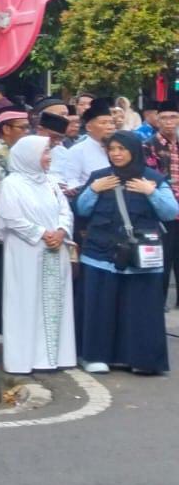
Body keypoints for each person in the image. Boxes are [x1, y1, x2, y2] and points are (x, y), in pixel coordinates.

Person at [75, 131, 178, 374]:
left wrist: (150, 192)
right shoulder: (100, 177)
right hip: (101, 254)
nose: (116, 154)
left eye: (122, 149)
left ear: (134, 150)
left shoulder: (153, 179)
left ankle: (142, 359)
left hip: (141, 257)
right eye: (112, 149)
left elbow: (170, 211)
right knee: (100, 307)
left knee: (140, 309)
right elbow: (82, 209)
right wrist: (94, 190)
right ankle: (95, 356)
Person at [0, 136, 76, 375]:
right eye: (44, 152)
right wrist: (41, 233)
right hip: (25, 251)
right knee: (25, 302)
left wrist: (60, 232)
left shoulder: (50, 182)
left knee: (53, 304)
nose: (48, 157)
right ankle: (24, 359)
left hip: (54, 249)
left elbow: (65, 211)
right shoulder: (12, 184)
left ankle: (52, 357)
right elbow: (10, 218)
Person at [0, 106, 33, 334]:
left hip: (26, 227)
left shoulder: (22, 151)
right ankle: (3, 326)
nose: (27, 131)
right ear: (6, 129)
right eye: (22, 128)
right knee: (5, 277)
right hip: (5, 228)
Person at [146, 101, 179, 309]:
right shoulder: (149, 146)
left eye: (173, 117)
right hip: (165, 212)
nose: (168, 122)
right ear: (156, 120)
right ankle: (158, 306)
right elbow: (152, 178)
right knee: (164, 261)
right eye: (164, 118)